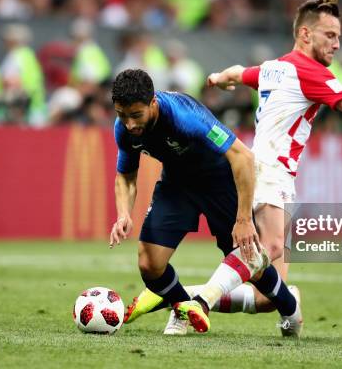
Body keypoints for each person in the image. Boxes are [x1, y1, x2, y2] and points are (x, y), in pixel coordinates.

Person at [124, 0, 342, 335]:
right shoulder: (310, 72)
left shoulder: (275, 68)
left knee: (269, 293)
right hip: (271, 171)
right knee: (265, 250)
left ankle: (179, 297)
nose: (337, 44)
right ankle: (200, 302)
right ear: (305, 35)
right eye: (330, 35)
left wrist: (219, 77)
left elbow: (243, 73)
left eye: (339, 36)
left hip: (255, 169)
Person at [108, 69, 301, 335]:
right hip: (177, 183)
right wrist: (123, 214)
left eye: (135, 115)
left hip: (219, 181)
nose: (129, 124)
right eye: (122, 115)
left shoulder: (183, 117)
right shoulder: (124, 128)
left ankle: (290, 307)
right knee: (149, 264)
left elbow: (243, 157)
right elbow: (126, 175)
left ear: (152, 102)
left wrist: (243, 219)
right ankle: (184, 308)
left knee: (250, 262)